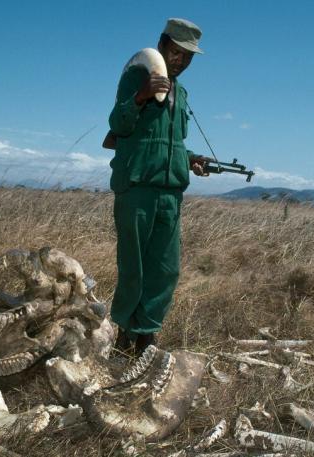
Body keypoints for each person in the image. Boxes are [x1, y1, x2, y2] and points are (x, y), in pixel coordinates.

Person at [107, 18, 208, 355]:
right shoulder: (138, 76)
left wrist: (189, 158)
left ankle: (146, 333)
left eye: (188, 57)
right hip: (137, 187)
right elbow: (118, 124)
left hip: (171, 193)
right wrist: (142, 95)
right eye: (177, 52)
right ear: (163, 44)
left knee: (165, 268)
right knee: (133, 265)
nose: (181, 61)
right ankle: (123, 332)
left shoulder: (183, 92)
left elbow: (171, 140)